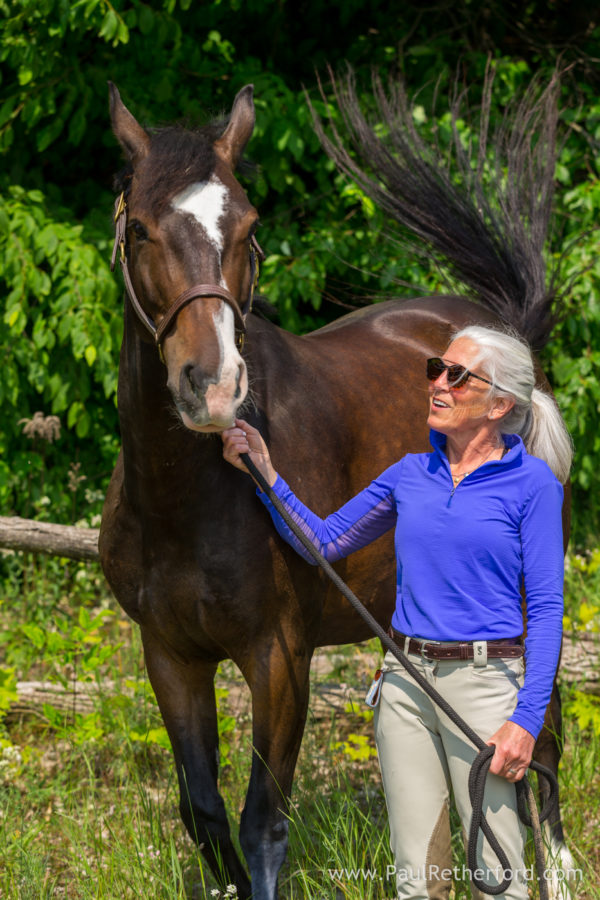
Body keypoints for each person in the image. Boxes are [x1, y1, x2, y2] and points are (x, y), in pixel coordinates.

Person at [221, 325, 572, 900]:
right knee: (417, 879)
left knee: (497, 879)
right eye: (436, 368)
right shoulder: (412, 473)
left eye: (457, 376)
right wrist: (266, 473)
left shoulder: (532, 485)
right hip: (405, 687)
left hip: (486, 689)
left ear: (500, 404)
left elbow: (549, 611)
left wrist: (526, 721)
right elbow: (325, 541)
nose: (437, 383)